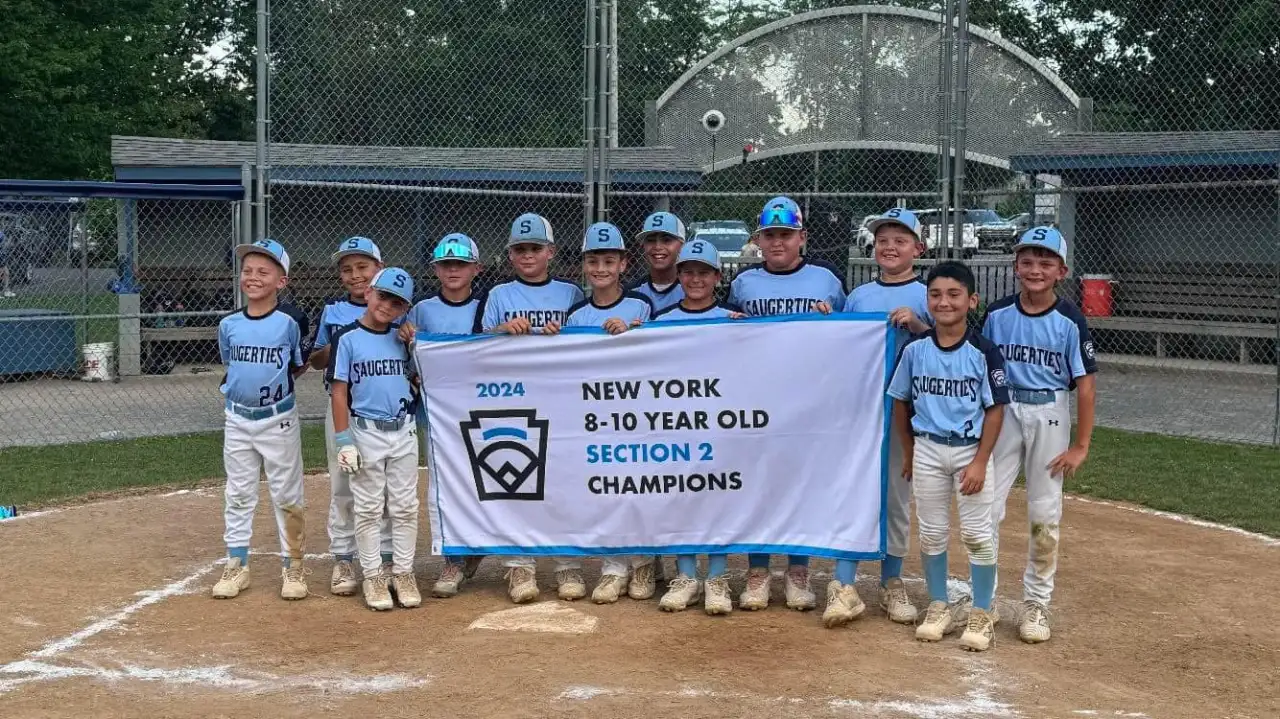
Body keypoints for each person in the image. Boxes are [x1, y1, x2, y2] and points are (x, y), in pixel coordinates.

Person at [727, 196, 846, 612]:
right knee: (759, 484)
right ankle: (758, 571)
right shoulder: (744, 284)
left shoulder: (826, 280)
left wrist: (831, 320)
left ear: (802, 238)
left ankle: (798, 570)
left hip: (806, 400)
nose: (778, 242)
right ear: (759, 239)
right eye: (770, 234)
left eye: (786, 234)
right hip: (757, 399)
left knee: (800, 486)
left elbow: (849, 339)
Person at [982, 226, 1098, 644]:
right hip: (1005, 411)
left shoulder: (1069, 319)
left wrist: (1081, 445)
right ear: (1015, 266)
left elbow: (1084, 385)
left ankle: (1036, 603)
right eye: (1027, 261)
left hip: (1049, 410)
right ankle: (984, 597)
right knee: (986, 505)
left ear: (1061, 270)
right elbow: (980, 364)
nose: (1035, 269)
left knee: (1044, 511)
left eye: (1045, 262)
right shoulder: (997, 314)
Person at [886, 261, 1009, 651]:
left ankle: (983, 611)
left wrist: (979, 460)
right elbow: (901, 403)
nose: (944, 302)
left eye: (954, 294)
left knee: (976, 533)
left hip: (970, 450)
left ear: (971, 301)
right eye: (936, 294)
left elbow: (995, 409)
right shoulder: (915, 349)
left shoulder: (983, 351)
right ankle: (939, 604)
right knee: (933, 530)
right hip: (928, 448)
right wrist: (909, 452)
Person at [829, 208, 931, 627]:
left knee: (895, 498)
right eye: (883, 239)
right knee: (852, 491)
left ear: (918, 249)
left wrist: (919, 324)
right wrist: (829, 324)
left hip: (904, 412)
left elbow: (952, 340)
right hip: (860, 410)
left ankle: (891, 581)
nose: (889, 247)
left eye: (900, 240)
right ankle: (844, 582)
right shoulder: (859, 297)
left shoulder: (927, 294)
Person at [477, 213, 586, 603]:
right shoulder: (499, 295)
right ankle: (519, 565)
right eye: (520, 249)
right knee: (514, 479)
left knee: (560, 481)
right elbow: (478, 346)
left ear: (550, 252)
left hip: (558, 397)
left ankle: (566, 563)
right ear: (510, 254)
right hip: (512, 398)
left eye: (535, 248)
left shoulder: (570, 293)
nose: (527, 255)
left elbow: (583, 342)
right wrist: (502, 331)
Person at [211, 239, 311, 601]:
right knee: (238, 492)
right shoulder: (229, 324)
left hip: (278, 418)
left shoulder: (289, 322)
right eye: (248, 271)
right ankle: (236, 565)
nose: (253, 277)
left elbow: (297, 364)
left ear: (281, 282)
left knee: (287, 493)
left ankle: (293, 565)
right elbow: (231, 364)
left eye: (263, 272)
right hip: (237, 418)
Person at [563, 222, 657, 603]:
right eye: (593, 261)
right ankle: (613, 567)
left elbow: (663, 353)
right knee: (606, 490)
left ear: (623, 264)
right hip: (595, 414)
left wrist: (635, 332)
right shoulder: (576, 314)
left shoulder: (641, 306)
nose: (600, 268)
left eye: (608, 261)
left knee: (641, 489)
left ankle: (644, 562)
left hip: (637, 413)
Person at [651, 238, 744, 615]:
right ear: (679, 274)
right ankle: (686, 574)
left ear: (717, 277)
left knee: (719, 496)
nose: (695, 279)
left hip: (721, 424)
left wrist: (754, 331)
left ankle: (717, 577)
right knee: (681, 496)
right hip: (677, 425)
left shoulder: (734, 318)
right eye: (688, 272)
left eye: (703, 273)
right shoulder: (663, 321)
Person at [328, 267, 422, 611]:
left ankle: (403, 571)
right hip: (365, 430)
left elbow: (420, 379)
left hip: (403, 429)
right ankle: (373, 575)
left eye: (397, 303)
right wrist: (343, 440)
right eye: (383, 296)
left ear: (404, 309)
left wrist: (415, 343)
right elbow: (339, 392)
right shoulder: (348, 338)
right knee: (368, 507)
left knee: (404, 505)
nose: (387, 306)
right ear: (369, 293)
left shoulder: (403, 338)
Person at [400, 233, 487, 598]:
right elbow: (410, 362)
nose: (453, 270)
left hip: (480, 408)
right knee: (445, 481)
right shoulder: (421, 310)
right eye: (446, 264)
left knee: (484, 477)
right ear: (435, 268)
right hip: (436, 412)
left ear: (476, 269)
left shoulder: (486, 306)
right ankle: (453, 558)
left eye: (461, 264)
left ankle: (483, 545)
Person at [307, 237, 394, 597]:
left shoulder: (396, 307)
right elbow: (315, 360)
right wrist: (345, 338)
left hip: (384, 411)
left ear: (378, 269)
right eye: (347, 269)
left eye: (363, 267)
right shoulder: (333, 311)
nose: (355, 275)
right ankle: (344, 558)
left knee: (385, 486)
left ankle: (387, 558)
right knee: (344, 482)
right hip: (343, 407)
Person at [628, 211, 687, 312]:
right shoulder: (631, 292)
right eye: (650, 240)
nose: (658, 247)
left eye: (667, 240)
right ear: (643, 245)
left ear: (682, 246)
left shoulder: (692, 290)